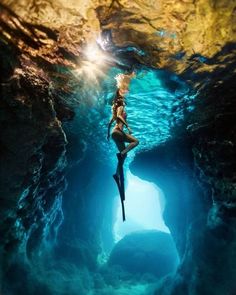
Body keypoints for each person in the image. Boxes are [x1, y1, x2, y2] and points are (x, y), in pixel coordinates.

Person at [107, 72, 139, 174]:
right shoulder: (121, 106)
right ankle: (121, 154)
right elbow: (120, 116)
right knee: (135, 142)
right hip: (118, 131)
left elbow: (109, 123)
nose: (124, 101)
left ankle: (117, 174)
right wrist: (128, 127)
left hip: (114, 133)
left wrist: (108, 134)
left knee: (123, 155)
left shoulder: (114, 110)